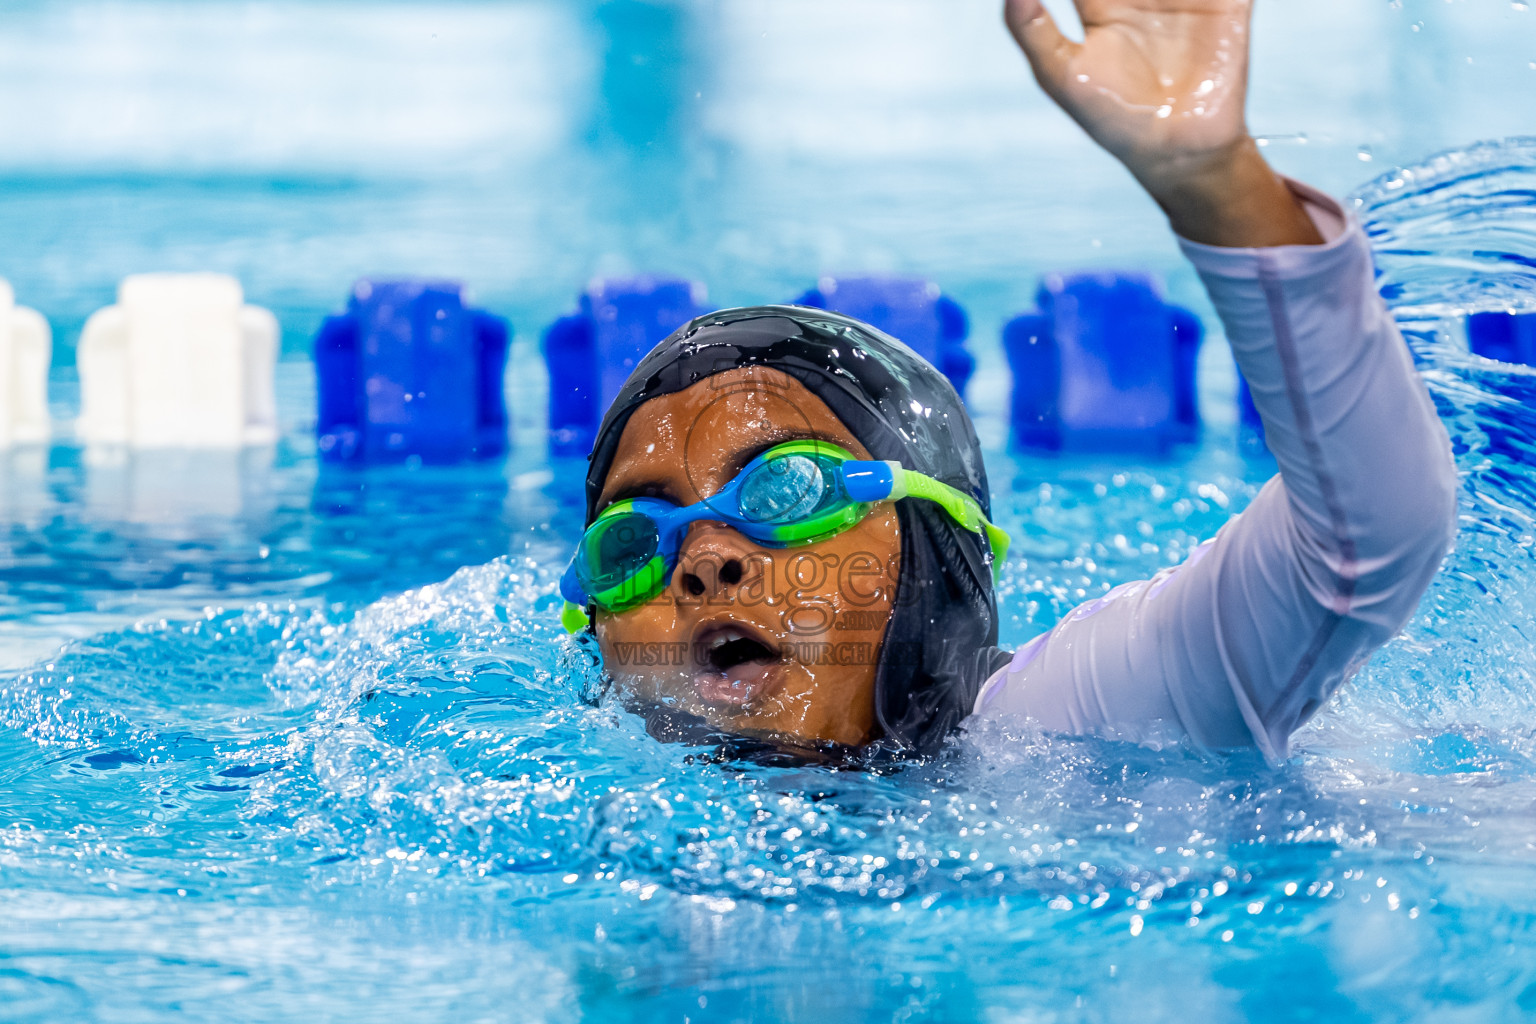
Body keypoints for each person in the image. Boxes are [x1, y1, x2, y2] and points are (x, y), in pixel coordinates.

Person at [557, 0, 1459, 762]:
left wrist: (1213, 183)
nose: (706, 560)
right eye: (632, 540)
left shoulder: (1067, 726)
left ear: (937, 545)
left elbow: (1365, 541)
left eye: (790, 486)